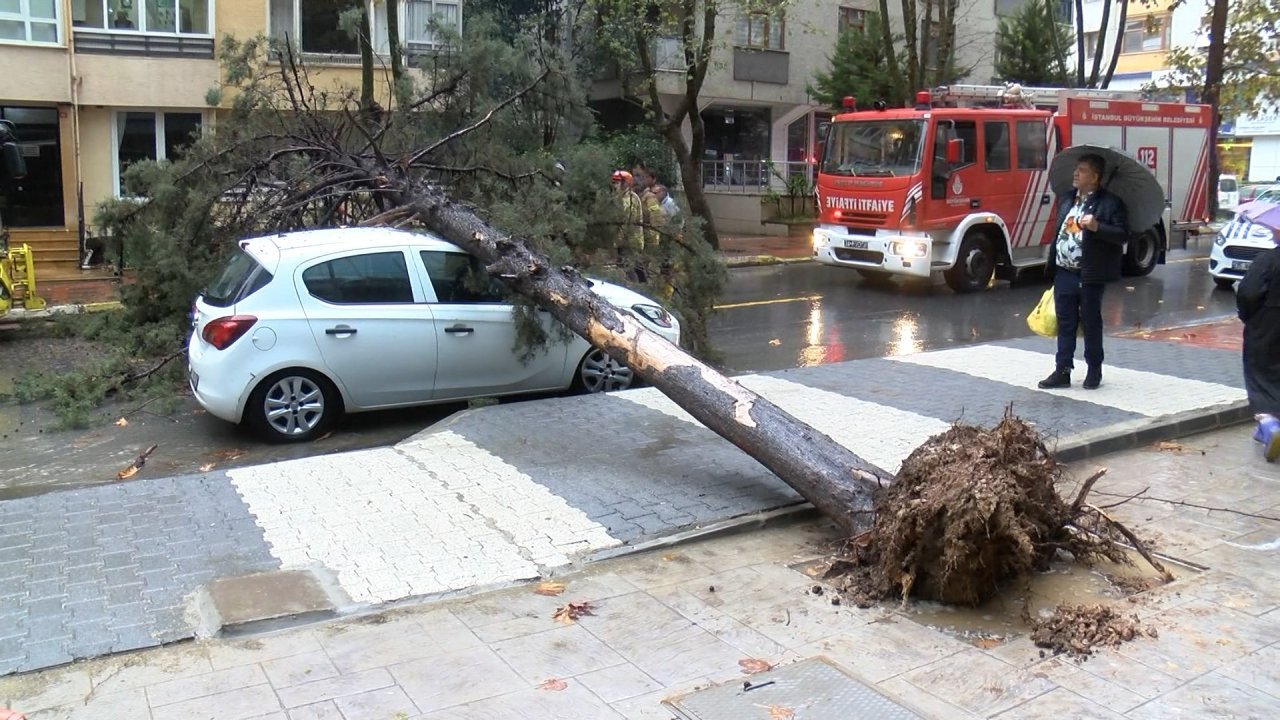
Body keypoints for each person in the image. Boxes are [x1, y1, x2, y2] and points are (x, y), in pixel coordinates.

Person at [1038, 154, 1128, 390]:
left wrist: (1098, 227)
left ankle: (1094, 369)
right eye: (1076, 170)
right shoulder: (1068, 199)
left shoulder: (1110, 203)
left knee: (1090, 322)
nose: (1076, 174)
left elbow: (1122, 234)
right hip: (1064, 272)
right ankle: (1063, 370)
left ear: (1095, 177)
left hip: (1089, 274)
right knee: (1065, 321)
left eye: (1083, 170)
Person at [1236, 231, 1280, 461]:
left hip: (1267, 324)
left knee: (1260, 372)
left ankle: (1270, 424)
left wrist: (1248, 317)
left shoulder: (1267, 260)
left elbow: (1248, 293)